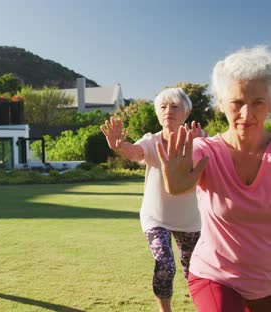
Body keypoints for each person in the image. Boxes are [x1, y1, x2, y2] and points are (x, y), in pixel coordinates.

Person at [156, 46, 271, 311]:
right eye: (237, 102)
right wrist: (175, 182)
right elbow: (180, 182)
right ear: (221, 103)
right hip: (216, 276)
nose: (246, 114)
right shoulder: (206, 150)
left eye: (257, 103)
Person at [101, 88, 204, 312]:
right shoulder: (151, 141)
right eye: (163, 107)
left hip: (191, 220)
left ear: (186, 112)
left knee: (195, 271)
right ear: (158, 114)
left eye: (175, 106)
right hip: (156, 218)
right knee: (165, 265)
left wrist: (197, 147)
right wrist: (119, 146)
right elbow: (134, 152)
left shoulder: (199, 141)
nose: (168, 111)